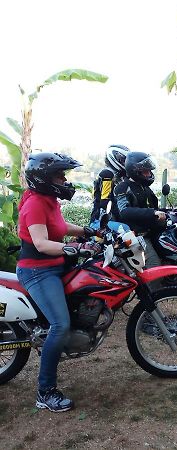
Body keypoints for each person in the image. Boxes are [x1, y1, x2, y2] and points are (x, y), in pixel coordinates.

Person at [16, 152, 101, 412]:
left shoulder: (48, 199)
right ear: (43, 178)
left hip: (54, 266)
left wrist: (88, 231)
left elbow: (60, 227)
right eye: (60, 175)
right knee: (60, 324)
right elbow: (41, 243)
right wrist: (75, 249)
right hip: (38, 272)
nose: (65, 180)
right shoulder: (35, 204)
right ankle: (45, 391)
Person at [113, 151, 166, 278]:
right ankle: (154, 295)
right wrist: (153, 212)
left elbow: (155, 209)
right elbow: (124, 211)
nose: (149, 174)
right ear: (135, 170)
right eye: (146, 171)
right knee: (154, 265)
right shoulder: (122, 187)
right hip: (136, 235)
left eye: (149, 171)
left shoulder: (145, 187)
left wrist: (173, 211)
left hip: (151, 231)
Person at [89, 144, 130, 226]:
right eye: (123, 159)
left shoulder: (119, 174)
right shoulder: (107, 174)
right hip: (101, 221)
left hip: (111, 218)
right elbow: (105, 201)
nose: (125, 163)